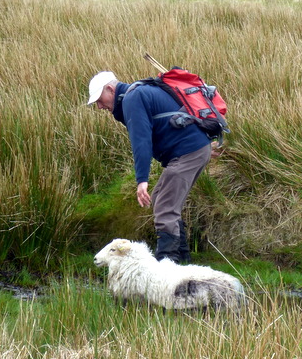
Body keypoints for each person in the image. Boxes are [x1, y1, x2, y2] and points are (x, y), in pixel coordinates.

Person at [87, 70, 215, 264]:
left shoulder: (133, 98)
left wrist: (142, 180)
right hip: (193, 150)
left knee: (165, 208)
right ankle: (183, 262)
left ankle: (166, 267)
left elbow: (141, 140)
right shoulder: (136, 94)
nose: (98, 106)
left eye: (99, 99)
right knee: (160, 198)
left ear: (110, 89)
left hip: (188, 153)